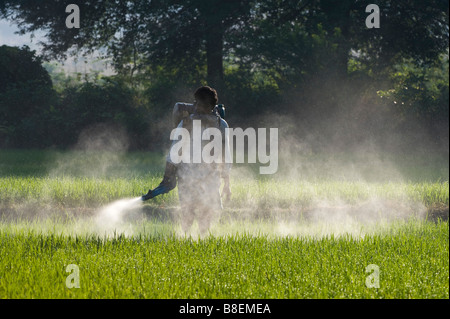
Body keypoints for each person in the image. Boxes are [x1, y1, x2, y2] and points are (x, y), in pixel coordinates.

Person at [142, 86, 231, 234]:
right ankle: (185, 241)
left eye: (203, 105)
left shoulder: (221, 125)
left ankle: (202, 242)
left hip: (210, 177)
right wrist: (167, 177)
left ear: (211, 107)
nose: (198, 108)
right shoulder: (186, 123)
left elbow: (225, 156)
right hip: (187, 174)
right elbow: (174, 152)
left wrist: (227, 184)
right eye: (197, 104)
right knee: (187, 213)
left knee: (206, 215)